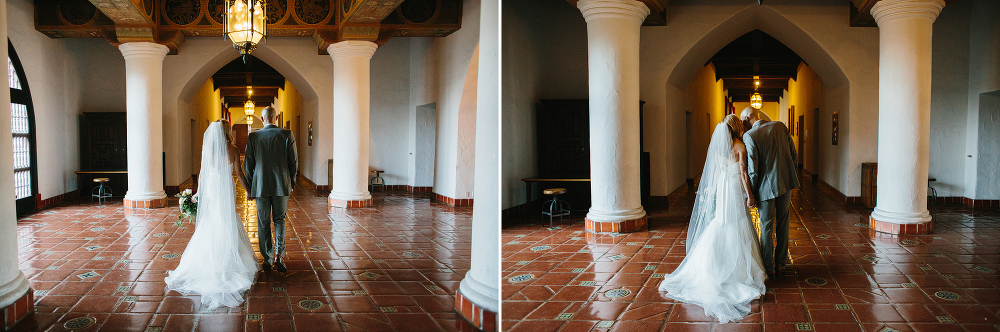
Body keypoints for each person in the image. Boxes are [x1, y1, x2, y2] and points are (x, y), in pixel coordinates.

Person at [659, 114, 767, 323]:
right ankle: (736, 271)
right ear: (737, 127)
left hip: (723, 189)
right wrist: (750, 196)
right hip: (734, 189)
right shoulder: (739, 147)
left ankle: (714, 265)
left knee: (722, 222)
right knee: (737, 223)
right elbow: (744, 174)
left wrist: (714, 192)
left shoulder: (720, 149)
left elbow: (717, 173)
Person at [164, 120, 258, 310]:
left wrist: (198, 193)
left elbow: (202, 173)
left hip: (212, 189)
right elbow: (239, 174)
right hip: (226, 189)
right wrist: (248, 190)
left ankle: (211, 259)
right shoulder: (233, 149)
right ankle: (229, 259)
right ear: (227, 132)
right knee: (227, 219)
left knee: (212, 220)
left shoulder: (207, 149)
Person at [741, 107, 799, 278]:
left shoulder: (750, 136)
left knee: (766, 226)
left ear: (746, 118)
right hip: (785, 184)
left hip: (765, 189)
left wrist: (750, 194)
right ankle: (781, 264)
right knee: (783, 223)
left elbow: (753, 170)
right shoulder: (781, 127)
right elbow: (794, 155)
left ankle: (768, 266)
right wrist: (789, 176)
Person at [245, 106, 298, 273]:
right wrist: (292, 183)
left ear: (262, 119)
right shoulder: (287, 135)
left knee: (263, 222)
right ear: (276, 119)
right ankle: (279, 256)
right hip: (282, 183)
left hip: (260, 185)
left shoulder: (253, 136)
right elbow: (293, 162)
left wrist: (250, 186)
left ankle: (267, 259)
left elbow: (248, 165)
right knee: (280, 219)